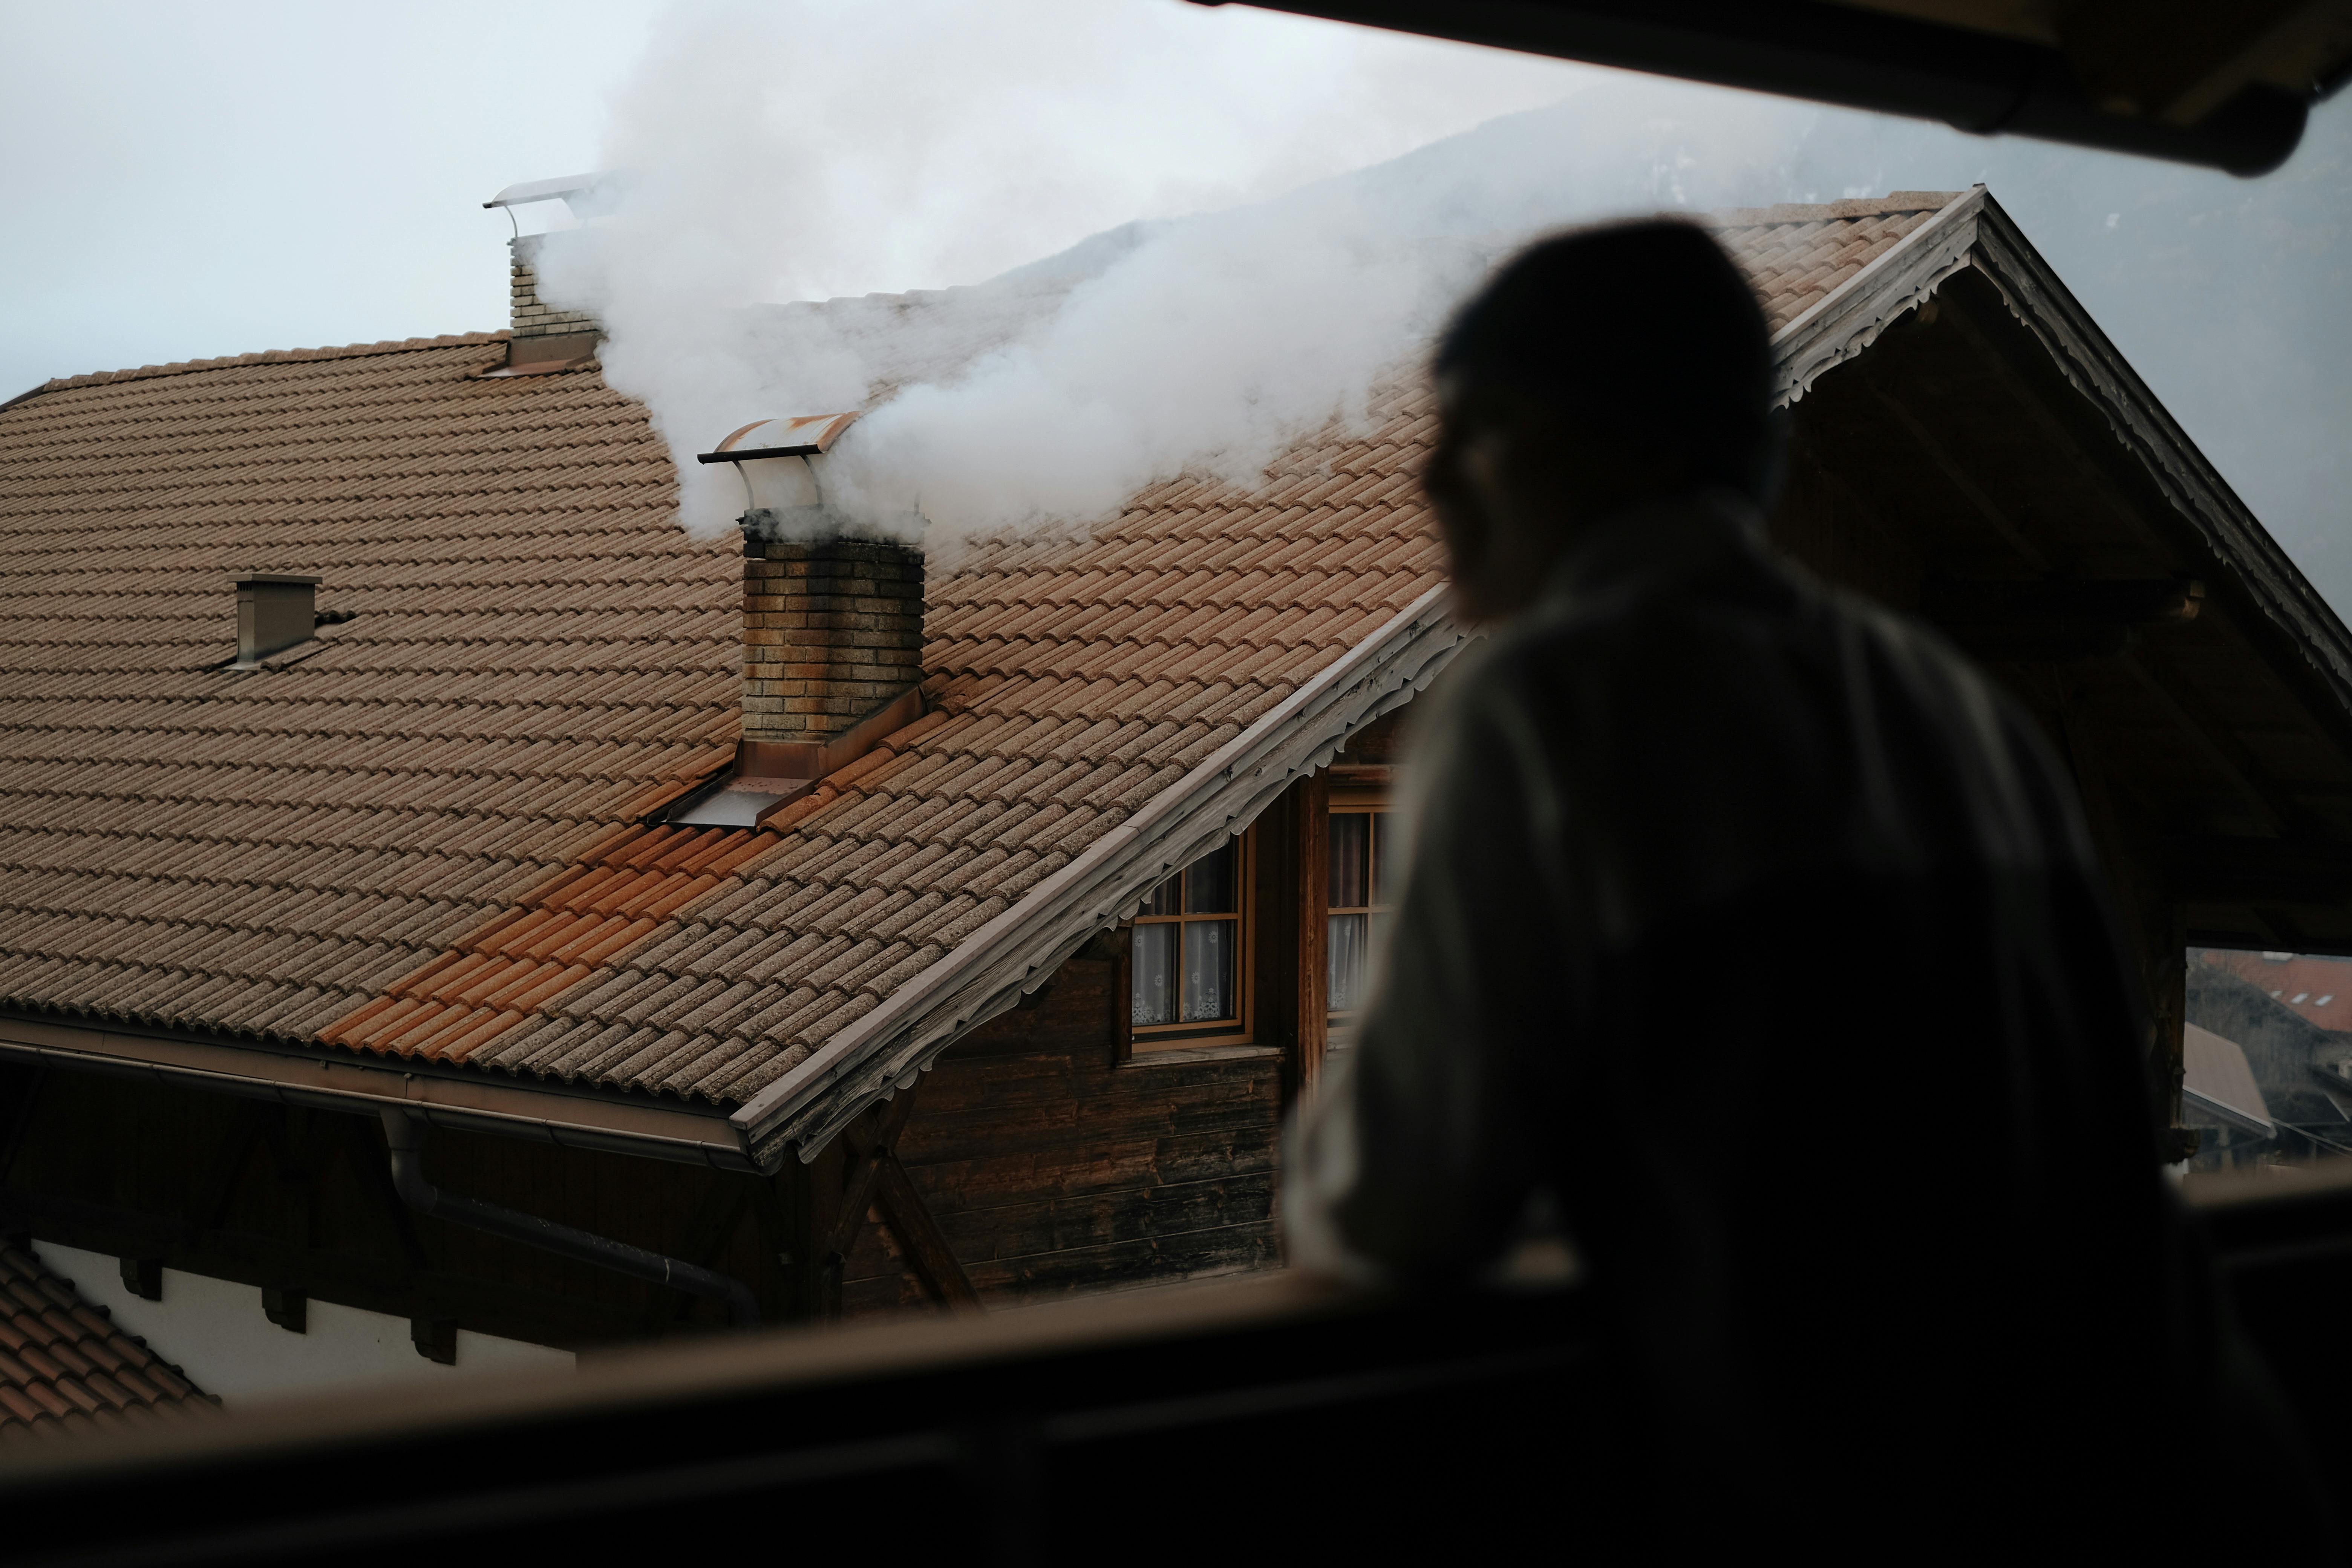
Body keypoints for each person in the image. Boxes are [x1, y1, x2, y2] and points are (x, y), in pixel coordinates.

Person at [1283, 219, 2324, 1554]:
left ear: (1636, 444)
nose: (1429, 477)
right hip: (2175, 1470)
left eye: (1478, 429)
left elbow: (1401, 1205)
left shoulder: (1550, 707)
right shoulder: (1958, 706)